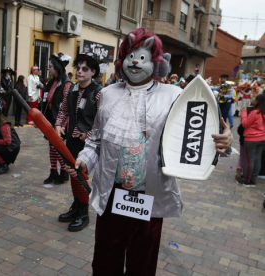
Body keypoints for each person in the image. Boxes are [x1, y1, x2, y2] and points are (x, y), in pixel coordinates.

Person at [66, 28, 232, 275]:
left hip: (149, 197)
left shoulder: (175, 95)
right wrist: (84, 161)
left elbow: (199, 138)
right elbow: (96, 141)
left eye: (143, 57)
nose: (135, 62)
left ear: (155, 62)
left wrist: (223, 143)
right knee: (104, 261)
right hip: (112, 195)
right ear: (123, 60)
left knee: (142, 263)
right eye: (132, 56)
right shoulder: (107, 94)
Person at [55, 52, 101, 232]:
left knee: (80, 176)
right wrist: (58, 124)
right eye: (78, 68)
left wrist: (89, 134)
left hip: (88, 144)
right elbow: (63, 109)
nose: (80, 72)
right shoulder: (72, 89)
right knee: (72, 174)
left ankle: (83, 213)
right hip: (72, 140)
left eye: (85, 69)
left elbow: (102, 119)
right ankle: (76, 206)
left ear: (93, 72)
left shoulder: (98, 93)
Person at [42, 53, 73, 185]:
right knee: (52, 147)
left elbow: (68, 108)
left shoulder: (66, 84)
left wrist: (63, 125)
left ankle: (64, 171)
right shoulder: (52, 82)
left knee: (57, 148)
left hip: (60, 123)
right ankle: (53, 171)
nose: (48, 69)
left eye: (50, 66)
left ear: (57, 67)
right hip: (50, 120)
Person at [238, 94, 265, 187]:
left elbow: (245, 124)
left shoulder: (255, 112)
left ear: (259, 101)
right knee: (258, 159)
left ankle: (247, 180)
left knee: (250, 160)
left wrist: (244, 112)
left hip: (251, 139)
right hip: (262, 138)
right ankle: (253, 180)